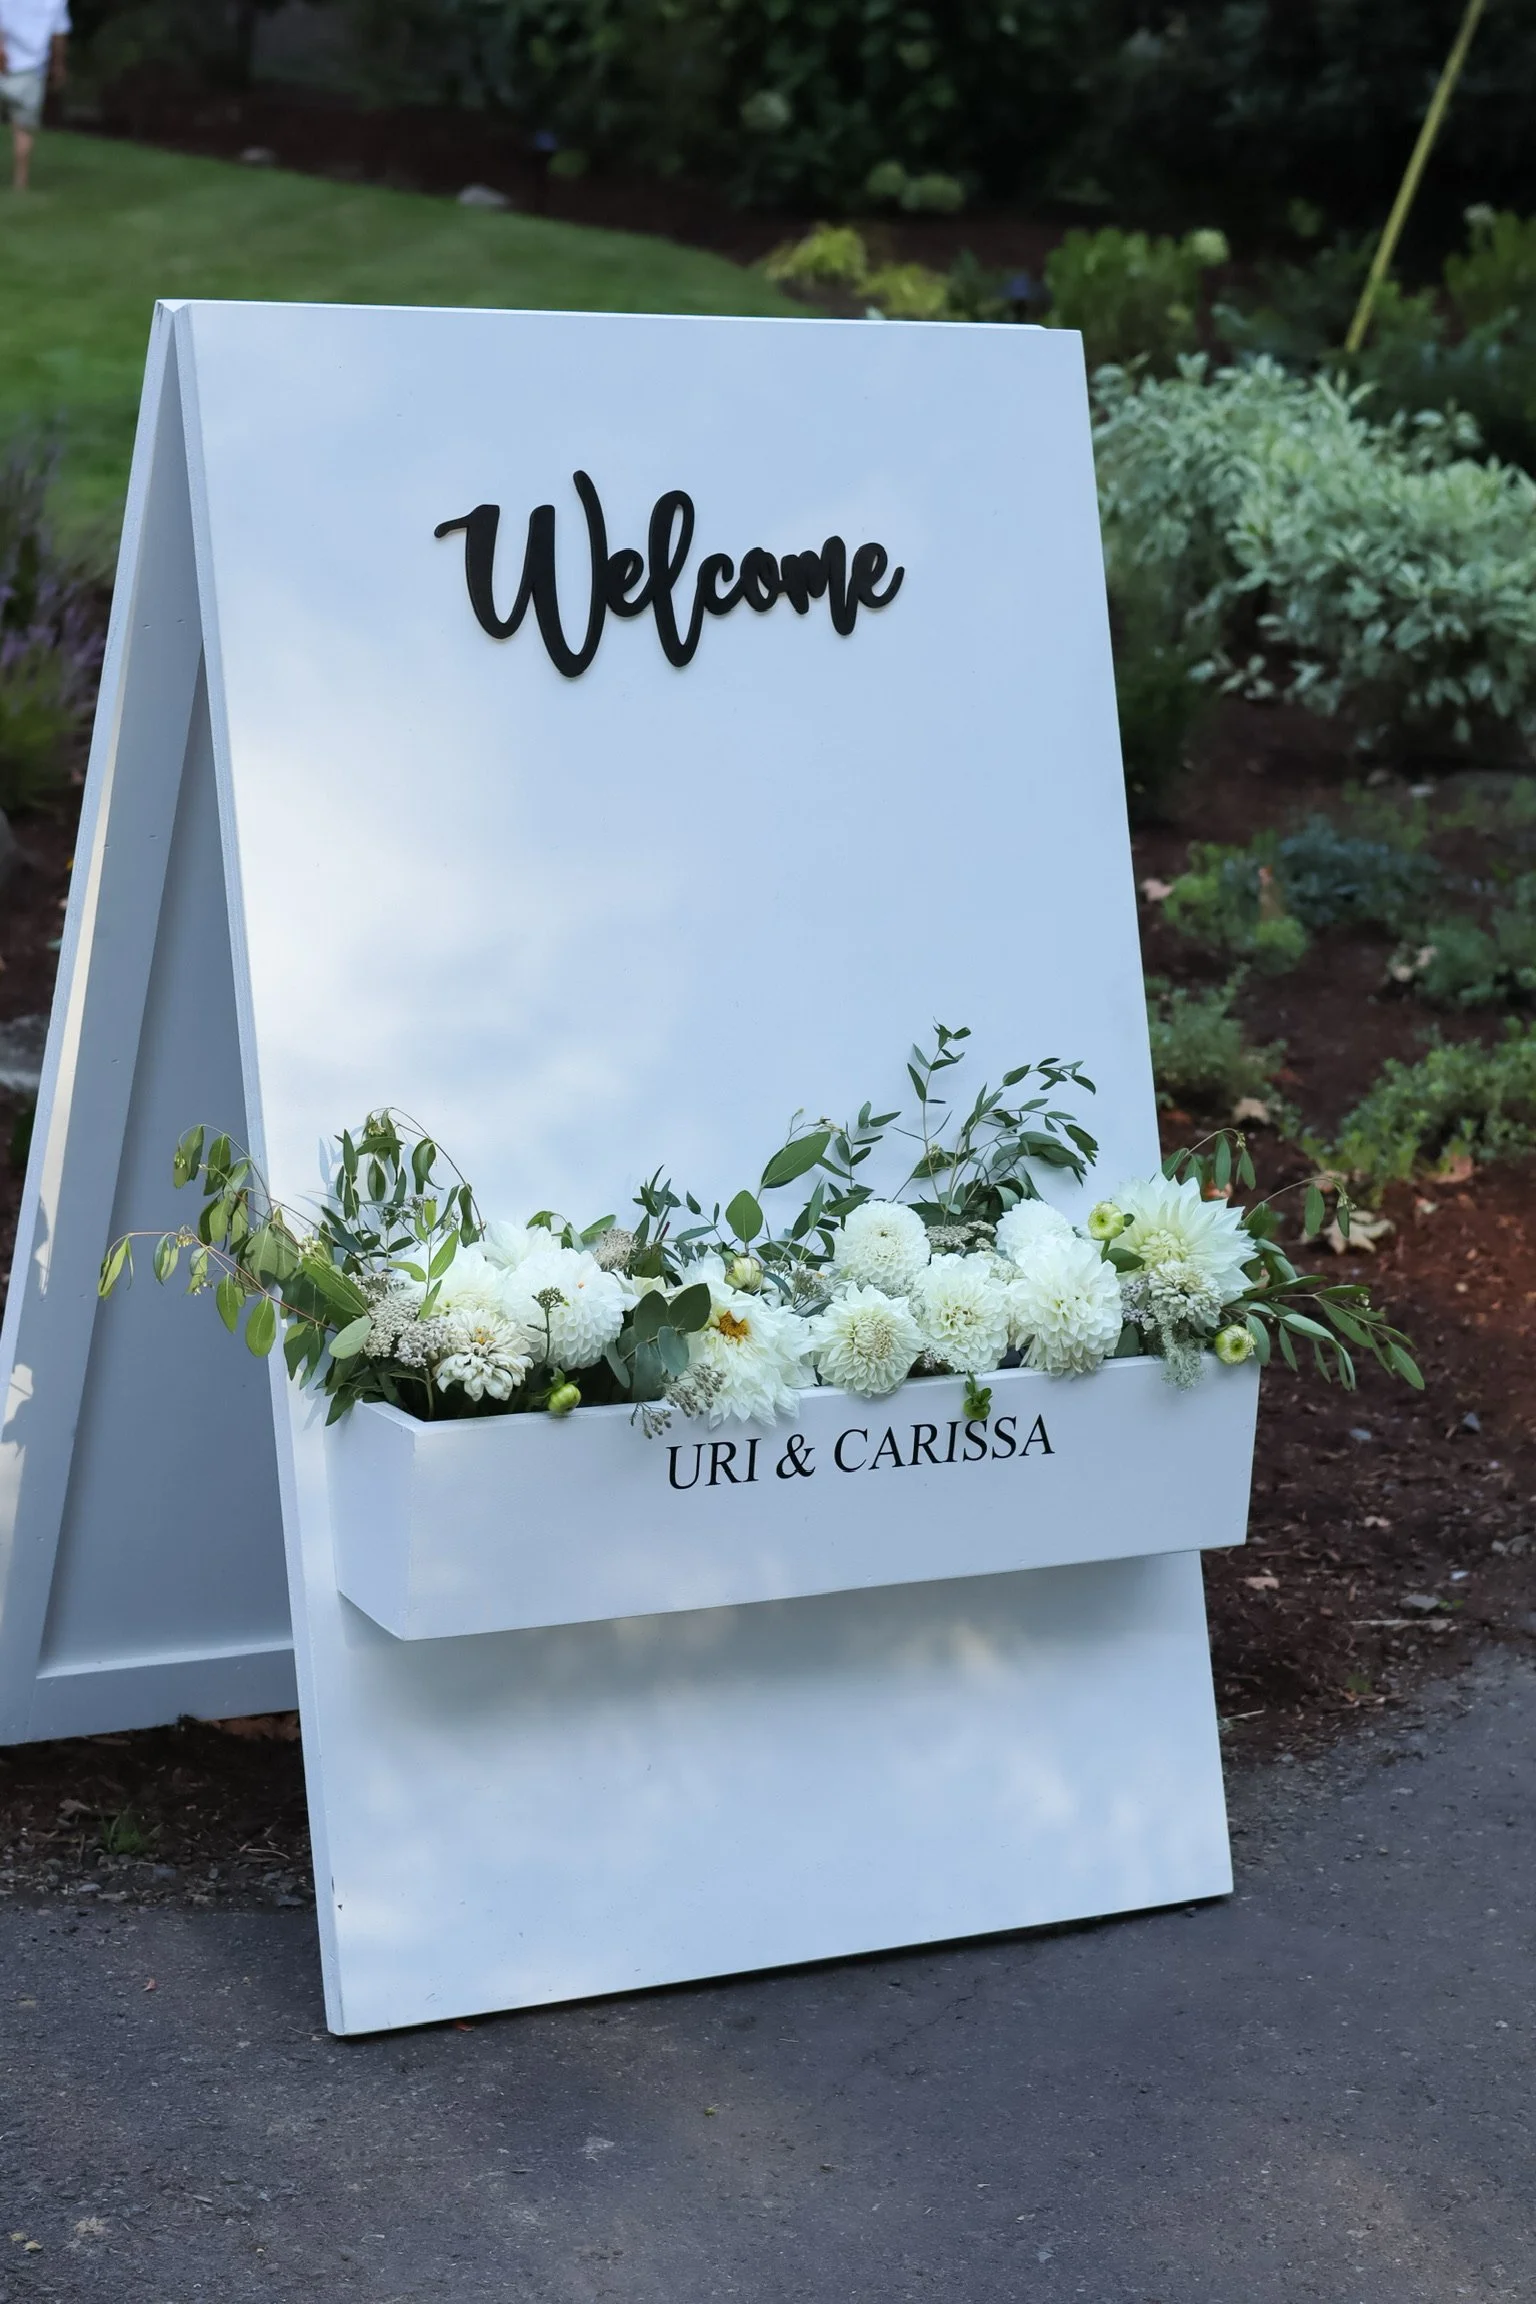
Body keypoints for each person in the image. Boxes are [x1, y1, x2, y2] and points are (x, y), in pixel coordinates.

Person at [0, 0, 69, 193]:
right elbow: (59, 35)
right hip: (30, 70)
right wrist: (59, 66)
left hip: (2, 62)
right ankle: (20, 182)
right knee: (23, 129)